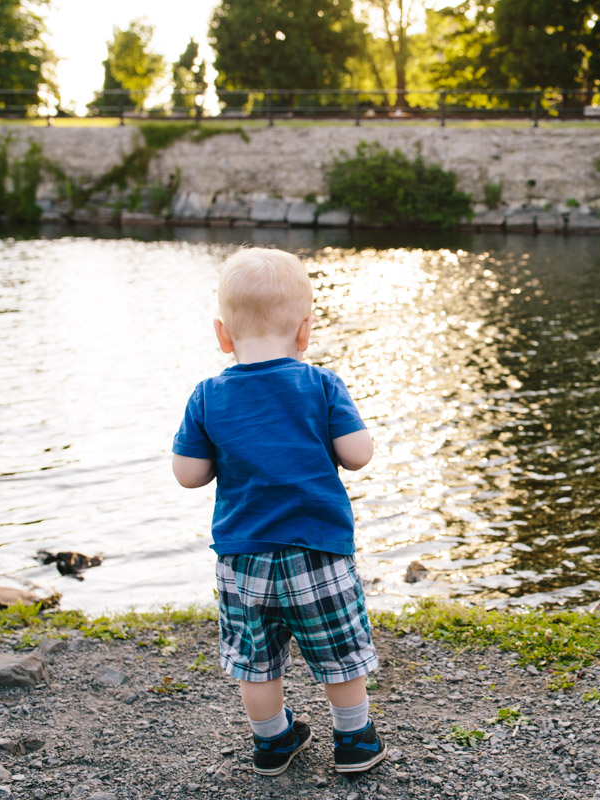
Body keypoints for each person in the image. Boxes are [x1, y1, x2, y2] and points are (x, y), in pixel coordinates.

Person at [171, 247, 386, 774]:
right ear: (304, 331)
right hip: (318, 553)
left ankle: (272, 742)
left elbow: (188, 474)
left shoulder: (207, 396)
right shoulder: (321, 385)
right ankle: (354, 739)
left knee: (257, 661)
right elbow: (358, 457)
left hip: (244, 561)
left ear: (223, 335)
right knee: (338, 650)